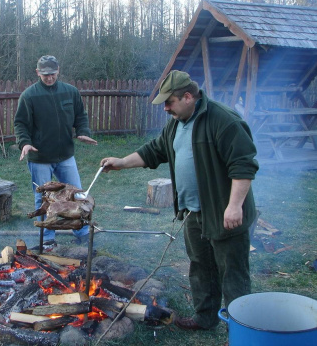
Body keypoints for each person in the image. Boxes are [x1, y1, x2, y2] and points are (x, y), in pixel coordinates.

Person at [100, 70, 259, 331]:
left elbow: (243, 165)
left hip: (223, 211)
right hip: (193, 212)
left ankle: (241, 329)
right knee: (201, 267)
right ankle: (205, 318)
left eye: (169, 102)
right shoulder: (176, 123)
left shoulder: (223, 120)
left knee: (233, 272)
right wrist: (121, 163)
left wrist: (234, 206)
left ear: (188, 97)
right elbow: (155, 150)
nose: (165, 108)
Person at [14, 55, 98, 246]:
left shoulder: (70, 92)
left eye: (52, 74)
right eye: (45, 75)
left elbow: (80, 117)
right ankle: (48, 240)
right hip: (40, 157)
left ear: (58, 70)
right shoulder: (29, 95)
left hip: (65, 155)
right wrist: (24, 143)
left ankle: (82, 233)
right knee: (43, 200)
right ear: (37, 73)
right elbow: (20, 124)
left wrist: (83, 132)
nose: (49, 78)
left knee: (78, 196)